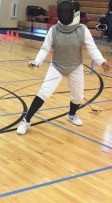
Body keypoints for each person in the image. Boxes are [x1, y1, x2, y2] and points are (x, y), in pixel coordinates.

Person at [16, 0, 111, 135]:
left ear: (73, 14)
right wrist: (37, 61)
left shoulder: (82, 30)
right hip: (57, 66)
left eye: (67, 12)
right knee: (44, 92)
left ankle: (71, 115)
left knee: (77, 96)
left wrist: (101, 61)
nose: (65, 15)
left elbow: (92, 48)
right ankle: (26, 120)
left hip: (75, 67)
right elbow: (44, 49)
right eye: (63, 12)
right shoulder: (53, 30)